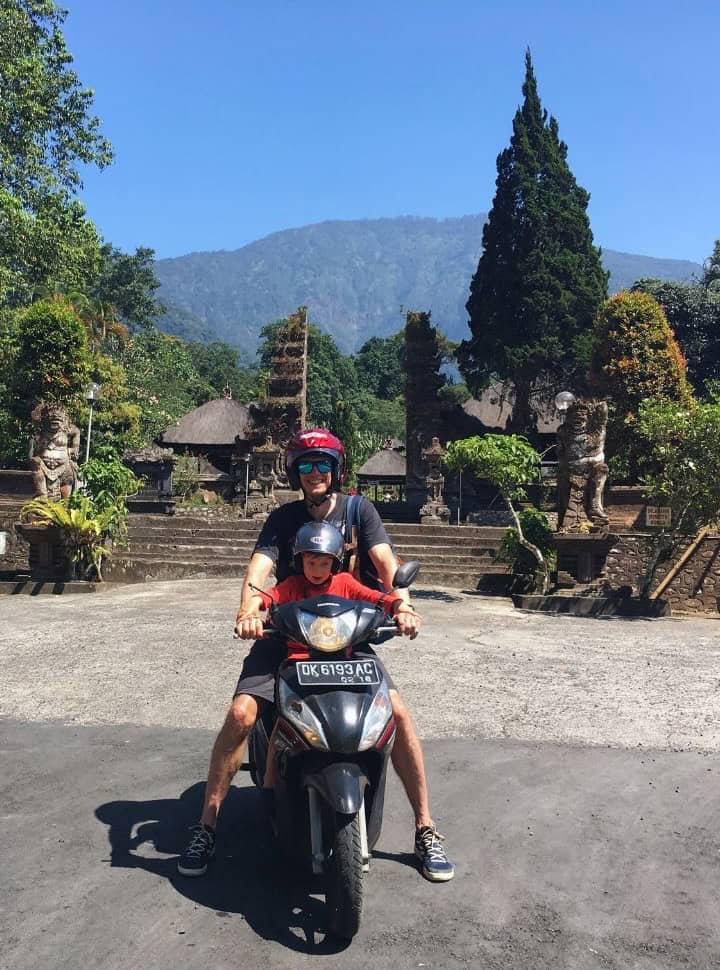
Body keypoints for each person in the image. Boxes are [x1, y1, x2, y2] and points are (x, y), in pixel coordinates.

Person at [177, 428, 454, 883]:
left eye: (323, 464)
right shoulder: (283, 519)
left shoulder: (360, 511)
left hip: (345, 637)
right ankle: (206, 824)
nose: (314, 473)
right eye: (305, 465)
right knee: (243, 714)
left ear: (337, 469)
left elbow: (386, 565)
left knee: (398, 714)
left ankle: (425, 827)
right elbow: (261, 569)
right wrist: (249, 611)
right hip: (282, 635)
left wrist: (402, 605)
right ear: (294, 473)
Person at [241, 519, 414, 788]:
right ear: (300, 562)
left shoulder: (346, 583)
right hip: (300, 663)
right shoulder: (292, 586)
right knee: (285, 718)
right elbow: (264, 597)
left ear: (335, 562)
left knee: (385, 710)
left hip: (344, 664)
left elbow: (378, 598)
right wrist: (249, 614)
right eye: (311, 563)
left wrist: (402, 610)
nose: (317, 570)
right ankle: (270, 779)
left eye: (324, 563)